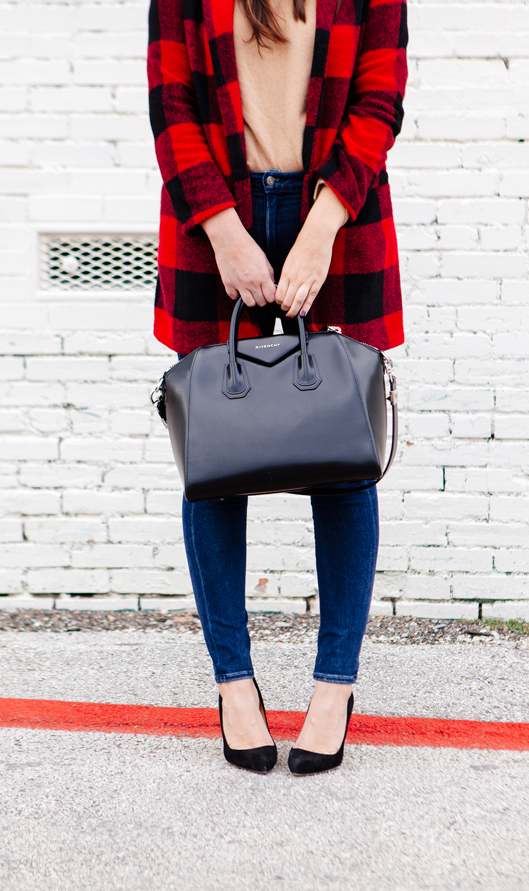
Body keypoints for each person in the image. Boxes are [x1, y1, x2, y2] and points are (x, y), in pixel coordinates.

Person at [147, 0, 407, 775]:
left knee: (341, 454)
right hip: (214, 211)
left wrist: (321, 227)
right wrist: (223, 230)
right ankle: (234, 685)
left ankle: (335, 687)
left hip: (335, 212)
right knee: (218, 461)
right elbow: (173, 106)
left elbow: (378, 101)